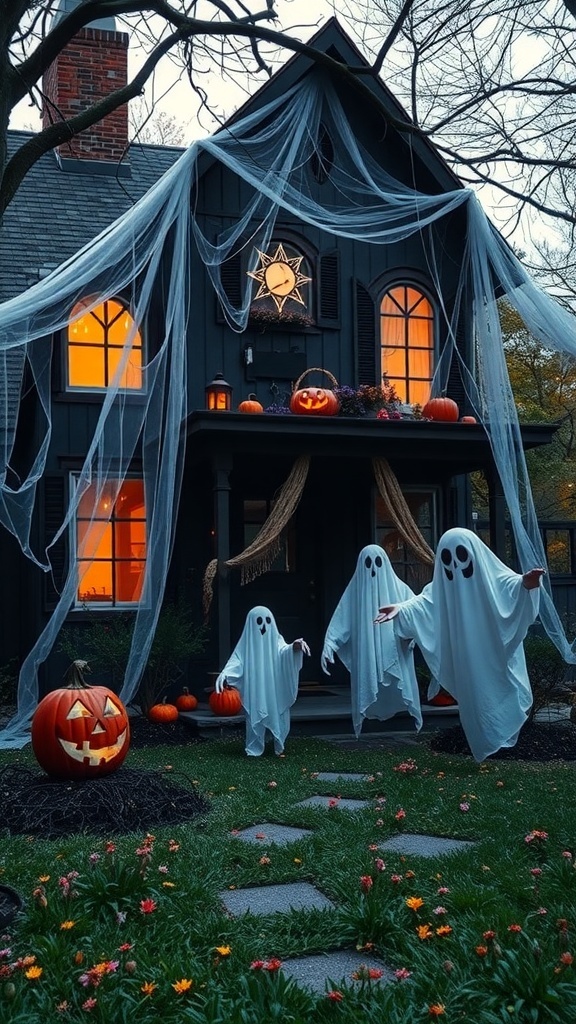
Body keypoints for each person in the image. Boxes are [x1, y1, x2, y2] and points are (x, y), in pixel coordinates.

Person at [374, 527, 545, 761]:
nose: (455, 565)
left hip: (495, 654)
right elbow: (424, 604)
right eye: (447, 558)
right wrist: (400, 608)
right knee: (474, 698)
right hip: (467, 658)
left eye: (461, 555)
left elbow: (512, 587)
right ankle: (484, 741)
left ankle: (502, 735)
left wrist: (526, 583)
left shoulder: (495, 578)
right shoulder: (442, 586)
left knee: (502, 688)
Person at [321, 544, 422, 737]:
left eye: (378, 563)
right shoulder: (355, 592)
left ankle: (405, 712)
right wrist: (330, 643)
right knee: (368, 675)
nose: (373, 569)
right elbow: (342, 620)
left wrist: (411, 633)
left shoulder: (400, 589)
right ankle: (366, 716)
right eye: (368, 563)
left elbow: (417, 612)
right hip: (367, 650)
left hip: (395, 648)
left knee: (397, 676)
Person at [215, 606, 310, 756]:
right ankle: (254, 747)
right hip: (255, 689)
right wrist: (226, 674)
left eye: (267, 621)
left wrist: (294, 648)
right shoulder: (245, 645)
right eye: (259, 621)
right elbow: (236, 662)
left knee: (279, 713)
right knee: (254, 713)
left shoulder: (277, 641)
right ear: (251, 623)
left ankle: (279, 743)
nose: (264, 626)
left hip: (274, 689)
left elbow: (284, 651)